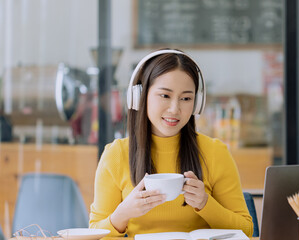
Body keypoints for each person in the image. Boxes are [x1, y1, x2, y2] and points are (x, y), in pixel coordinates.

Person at [89, 49, 253, 237]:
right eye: (165, 96)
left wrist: (205, 204)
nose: (175, 109)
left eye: (186, 98)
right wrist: (123, 214)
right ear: (140, 96)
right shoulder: (116, 155)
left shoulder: (215, 152)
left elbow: (247, 231)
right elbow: (94, 234)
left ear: (196, 104)